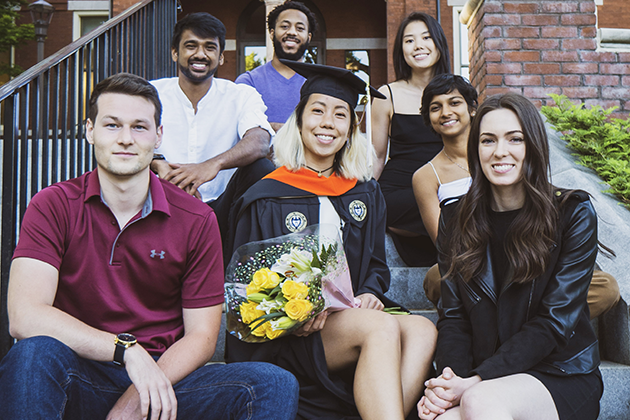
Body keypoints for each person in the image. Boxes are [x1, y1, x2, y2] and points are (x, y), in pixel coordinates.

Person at [0, 73, 299, 420]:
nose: (126, 139)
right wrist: (125, 350)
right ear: (89, 131)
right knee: (33, 354)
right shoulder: (52, 204)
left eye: (139, 127)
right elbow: (24, 316)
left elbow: (202, 337)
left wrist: (133, 401)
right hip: (77, 372)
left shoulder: (197, 219)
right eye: (112, 125)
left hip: (163, 381)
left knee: (272, 384)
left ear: (158, 135)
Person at [226, 60, 438, 420]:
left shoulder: (365, 192)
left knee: (421, 329)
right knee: (382, 325)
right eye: (318, 111)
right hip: (288, 336)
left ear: (351, 128)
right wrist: (291, 315)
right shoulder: (266, 195)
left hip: (348, 320)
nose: (328, 123)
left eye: (340, 114)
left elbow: (375, 264)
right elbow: (244, 290)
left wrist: (370, 291)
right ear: (299, 119)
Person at [418, 92, 604, 420]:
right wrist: (451, 381)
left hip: (558, 372)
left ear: (532, 145)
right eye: (488, 140)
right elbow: (454, 318)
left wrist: (474, 382)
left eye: (514, 139)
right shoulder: (454, 217)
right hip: (485, 372)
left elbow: (553, 322)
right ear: (476, 150)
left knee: (479, 402)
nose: (500, 151)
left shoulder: (572, 213)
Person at [413, 74, 620, 318]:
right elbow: (447, 243)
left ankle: (528, 322)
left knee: (605, 287)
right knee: (437, 277)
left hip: (529, 249)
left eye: (454, 103)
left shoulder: (513, 157)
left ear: (472, 109)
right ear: (428, 117)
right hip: (476, 256)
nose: (446, 112)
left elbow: (541, 203)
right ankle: (518, 320)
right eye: (435, 107)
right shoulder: (426, 175)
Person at [150, 12, 275, 255]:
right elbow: (128, 140)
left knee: (261, 168)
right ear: (175, 53)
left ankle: (245, 264)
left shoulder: (240, 95)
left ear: (220, 57)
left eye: (209, 47)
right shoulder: (151, 92)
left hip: (222, 208)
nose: (200, 54)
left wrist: (211, 165)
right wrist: (157, 164)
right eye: (191, 46)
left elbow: (260, 141)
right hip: (161, 203)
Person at [371, 12, 451, 267]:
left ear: (438, 43)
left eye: (426, 37)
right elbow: (377, 155)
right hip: (399, 191)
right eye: (409, 40)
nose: (418, 45)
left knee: (457, 205)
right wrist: (361, 195)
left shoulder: (456, 93)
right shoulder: (387, 94)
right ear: (401, 49)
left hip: (443, 187)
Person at [236, 0, 317, 131]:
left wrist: (270, 127)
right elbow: (243, 127)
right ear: (272, 33)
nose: (292, 32)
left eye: (300, 28)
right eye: (285, 26)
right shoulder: (248, 82)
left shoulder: (319, 83)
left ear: (308, 37)